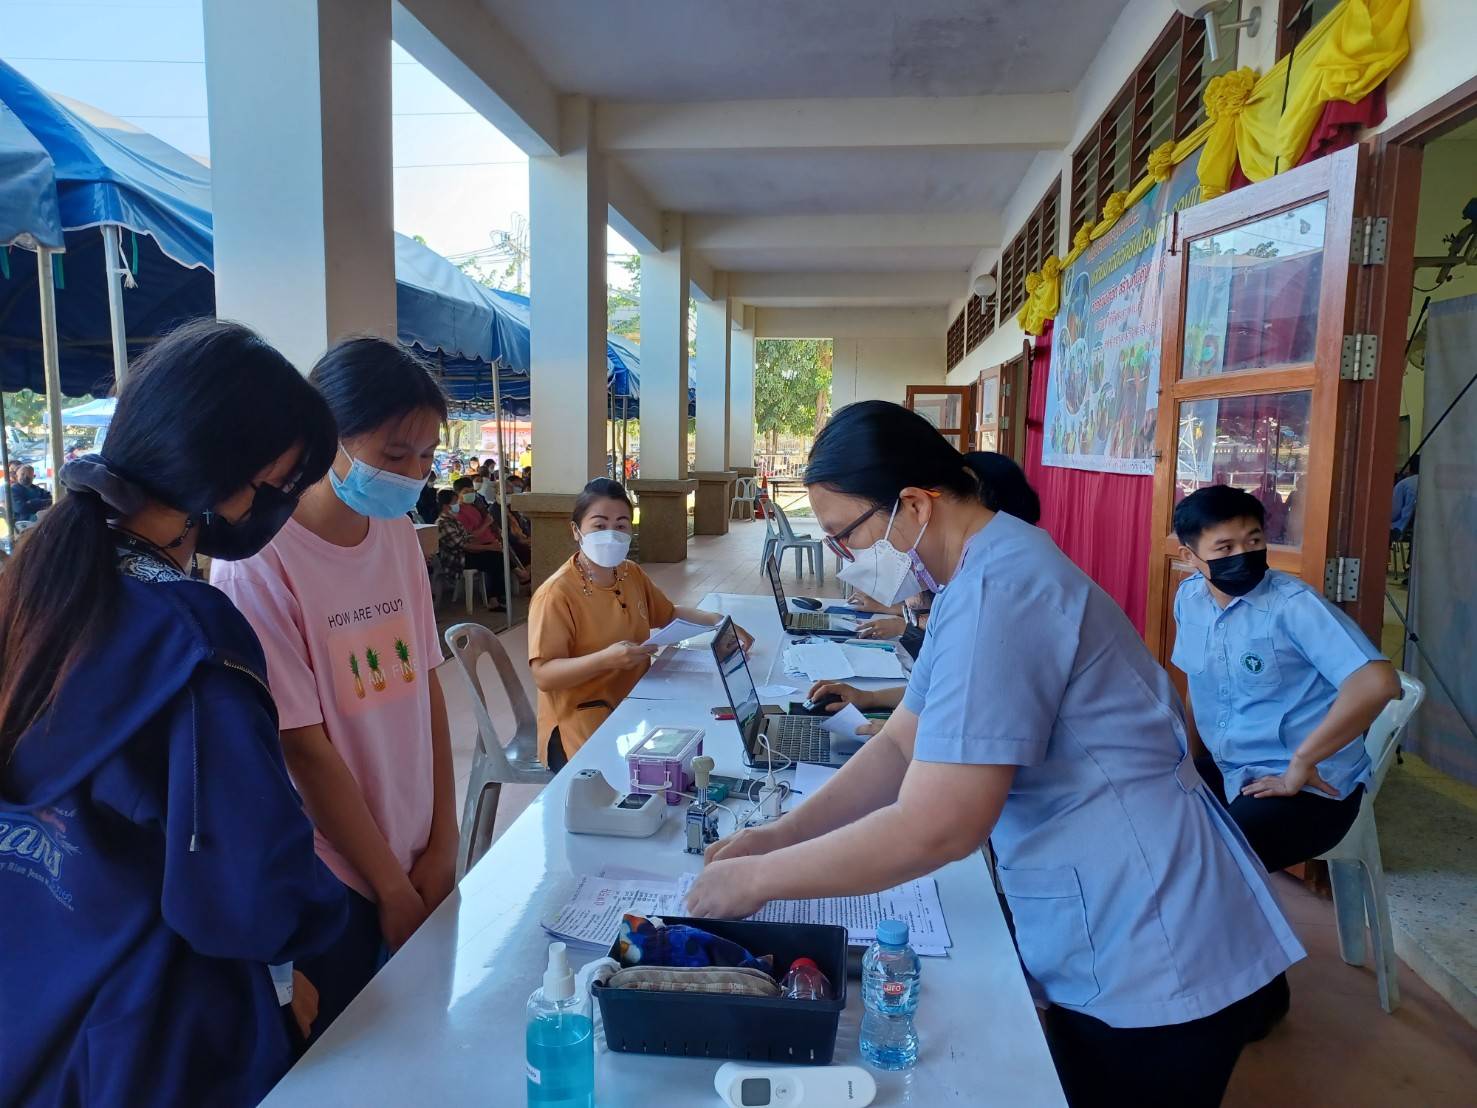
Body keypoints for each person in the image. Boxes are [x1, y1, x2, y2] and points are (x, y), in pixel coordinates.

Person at [687, 401, 1304, 1108]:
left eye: (845, 536)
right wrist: (781, 834)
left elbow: (939, 824)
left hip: (1151, 935)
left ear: (913, 505)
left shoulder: (998, 591)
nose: (845, 559)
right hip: (1128, 904)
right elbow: (901, 742)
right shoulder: (978, 573)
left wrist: (761, 880)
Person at [0, 320, 348, 1106]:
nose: (285, 504)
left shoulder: (33, 587)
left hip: (31, 998)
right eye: (283, 483)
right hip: (150, 1032)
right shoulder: (192, 635)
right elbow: (246, 886)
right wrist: (308, 945)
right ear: (227, 475)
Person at [212, 337, 456, 1039]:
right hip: (337, 873)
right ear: (326, 438)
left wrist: (443, 839)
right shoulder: (259, 563)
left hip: (416, 852)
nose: (413, 475)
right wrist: (388, 885)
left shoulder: (396, 534)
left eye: (426, 457)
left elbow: (428, 689)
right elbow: (304, 747)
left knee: (423, 1040)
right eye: (394, 454)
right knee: (352, 1053)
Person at [1172, 484, 1400, 870]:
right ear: (1189, 556)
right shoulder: (1190, 599)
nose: (1243, 555)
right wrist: (1194, 762)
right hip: (1231, 768)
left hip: (1309, 784)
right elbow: (1200, 686)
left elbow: (1378, 683)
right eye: (1225, 548)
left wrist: (1303, 760)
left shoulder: (1292, 606)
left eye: (1253, 541)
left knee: (1208, 861)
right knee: (1144, 823)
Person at [528, 478, 753, 771]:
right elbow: (544, 675)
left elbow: (668, 614)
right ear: (576, 530)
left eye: (621, 525)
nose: (611, 534)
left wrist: (719, 622)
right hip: (583, 723)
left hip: (637, 706)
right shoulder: (556, 594)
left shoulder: (629, 573)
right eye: (599, 525)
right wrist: (606, 660)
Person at [434, 487, 507, 609]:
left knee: (497, 557)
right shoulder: (443, 523)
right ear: (446, 506)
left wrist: (490, 546)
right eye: (455, 503)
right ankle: (494, 599)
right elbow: (463, 545)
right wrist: (489, 547)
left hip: (464, 554)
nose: (457, 505)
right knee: (494, 559)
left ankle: (496, 595)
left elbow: (468, 537)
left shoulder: (453, 520)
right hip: (456, 560)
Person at [1390, 454, 1419, 536]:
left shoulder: (1404, 484)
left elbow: (1393, 513)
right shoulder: (1432, 484)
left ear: (1409, 467)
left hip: (1400, 530)